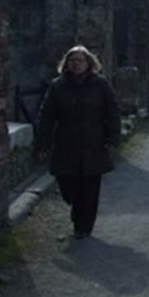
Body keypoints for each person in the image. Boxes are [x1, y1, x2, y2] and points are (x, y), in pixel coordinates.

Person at [35, 45, 121, 239]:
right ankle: (75, 206)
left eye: (80, 60)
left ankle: (83, 227)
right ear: (66, 63)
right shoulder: (58, 86)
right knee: (67, 184)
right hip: (67, 142)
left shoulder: (100, 85)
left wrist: (113, 137)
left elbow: (112, 111)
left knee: (90, 189)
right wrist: (42, 143)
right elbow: (46, 115)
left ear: (89, 63)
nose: (76, 63)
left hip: (94, 142)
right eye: (72, 60)